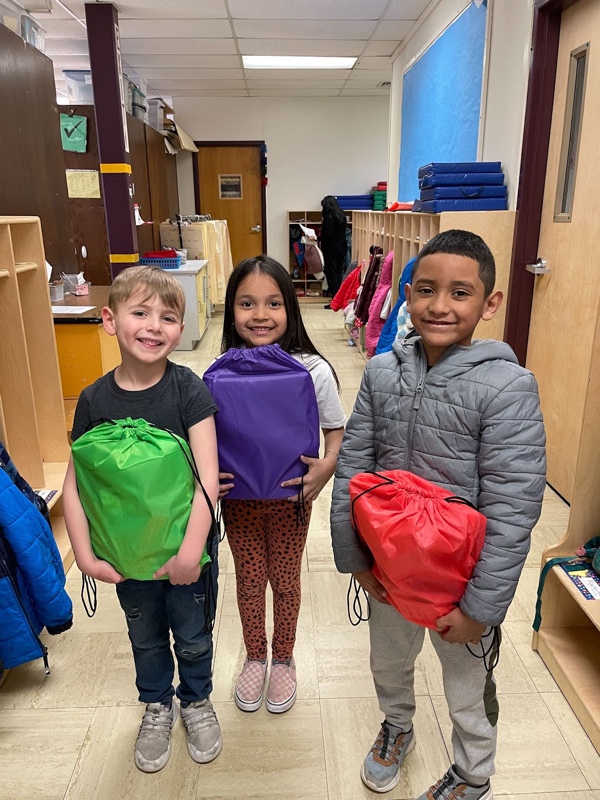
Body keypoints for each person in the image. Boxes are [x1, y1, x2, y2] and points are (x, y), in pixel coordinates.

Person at [330, 230, 546, 798]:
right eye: (426, 290)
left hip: (459, 577)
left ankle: (473, 774)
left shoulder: (508, 387)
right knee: (389, 661)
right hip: (389, 569)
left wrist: (481, 606)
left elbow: (514, 504)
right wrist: (355, 557)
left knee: (467, 686)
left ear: (489, 303)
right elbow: (354, 465)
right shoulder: (382, 372)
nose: (440, 306)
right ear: (408, 294)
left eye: (460, 293)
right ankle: (396, 727)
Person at [63, 266, 221, 774]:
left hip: (186, 552)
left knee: (194, 634)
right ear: (110, 320)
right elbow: (77, 481)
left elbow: (208, 480)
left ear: (181, 328)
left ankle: (195, 700)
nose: (154, 326)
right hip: (128, 555)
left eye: (168, 317)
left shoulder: (187, 390)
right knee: (145, 636)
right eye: (140, 312)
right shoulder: (93, 399)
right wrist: (84, 554)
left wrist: (190, 553)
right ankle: (157, 704)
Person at [218, 255, 346, 714]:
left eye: (273, 303)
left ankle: (285, 658)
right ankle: (255, 656)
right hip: (239, 501)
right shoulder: (219, 370)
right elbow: (205, 436)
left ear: (290, 309)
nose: (259, 314)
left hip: (293, 497)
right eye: (246, 303)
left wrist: (326, 467)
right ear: (231, 310)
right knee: (251, 582)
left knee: (286, 582)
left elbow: (336, 430)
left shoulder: (313, 370)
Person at [320, 195, 348, 307]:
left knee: (331, 274)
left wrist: (316, 238)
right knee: (338, 273)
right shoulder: (341, 215)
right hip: (342, 248)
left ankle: (335, 301)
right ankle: (339, 300)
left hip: (331, 249)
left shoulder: (329, 217)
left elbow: (328, 235)